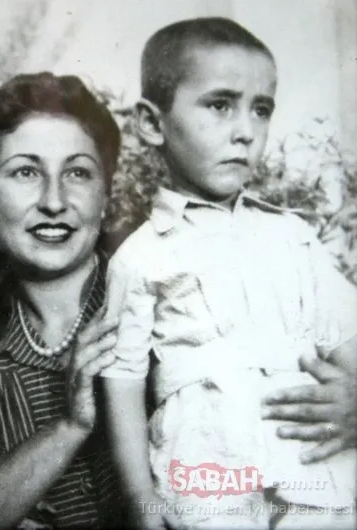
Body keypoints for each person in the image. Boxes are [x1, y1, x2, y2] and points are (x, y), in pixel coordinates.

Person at [100, 17, 357, 529]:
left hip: (310, 469)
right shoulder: (140, 256)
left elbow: (347, 341)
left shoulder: (293, 237)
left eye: (261, 109)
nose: (245, 130)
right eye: (220, 105)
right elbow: (122, 382)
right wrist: (141, 500)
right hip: (208, 477)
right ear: (152, 123)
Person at [0, 72, 128, 529]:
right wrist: (71, 426)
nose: (54, 201)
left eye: (78, 173)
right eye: (26, 172)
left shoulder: (156, 308)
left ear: (106, 196)